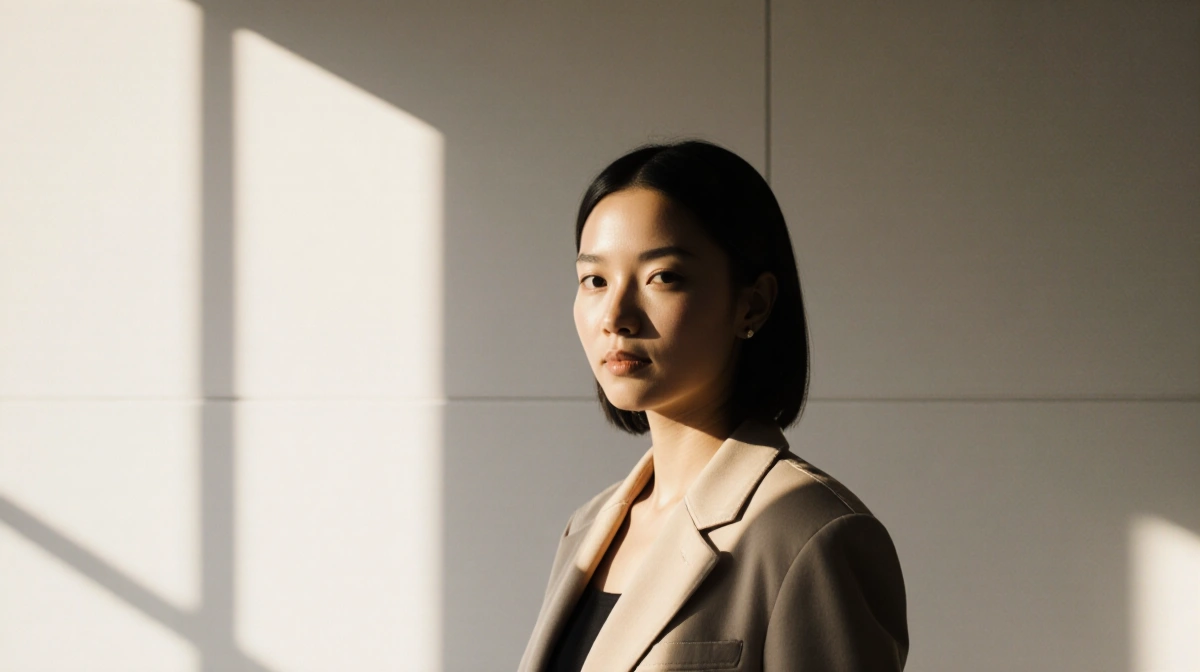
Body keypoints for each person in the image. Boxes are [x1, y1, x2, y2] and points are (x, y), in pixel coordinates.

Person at [518, 139, 908, 672]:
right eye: (595, 280)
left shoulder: (810, 535)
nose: (616, 315)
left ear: (753, 302)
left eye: (663, 276)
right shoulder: (586, 529)